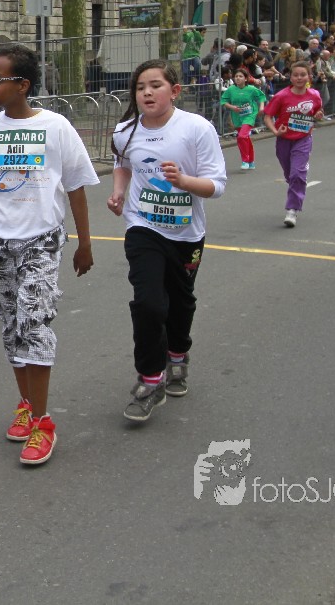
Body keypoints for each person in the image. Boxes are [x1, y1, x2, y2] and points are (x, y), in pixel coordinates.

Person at [0, 44, 97, 465]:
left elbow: (76, 187)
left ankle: (44, 423)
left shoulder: (56, 127)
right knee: (12, 325)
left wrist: (84, 243)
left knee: (34, 322)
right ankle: (27, 405)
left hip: (41, 240)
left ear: (23, 85)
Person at [107, 60, 226, 423]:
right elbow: (122, 163)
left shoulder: (196, 128)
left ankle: (178, 353)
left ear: (174, 91)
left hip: (186, 233)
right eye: (140, 87)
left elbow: (217, 185)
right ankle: (149, 379)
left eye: (155, 85)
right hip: (142, 226)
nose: (146, 92)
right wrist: (119, 191)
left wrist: (183, 182)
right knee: (148, 303)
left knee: (180, 303)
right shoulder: (125, 131)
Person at [263, 61, 325, 227]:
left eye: (303, 75)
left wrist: (318, 115)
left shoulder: (314, 95)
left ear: (309, 77)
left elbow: (318, 112)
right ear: (290, 77)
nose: (299, 78)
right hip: (284, 140)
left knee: (297, 174)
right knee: (290, 175)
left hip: (303, 138)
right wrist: (275, 132)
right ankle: (298, 175)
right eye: (296, 75)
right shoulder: (281, 96)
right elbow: (267, 117)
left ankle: (292, 210)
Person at [220, 69, 267, 170]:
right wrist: (232, 107)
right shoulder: (231, 89)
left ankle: (245, 160)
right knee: (245, 138)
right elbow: (223, 101)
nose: (238, 78)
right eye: (236, 76)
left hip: (250, 115)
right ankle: (251, 161)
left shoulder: (251, 89)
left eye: (240, 76)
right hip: (237, 116)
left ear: (246, 79)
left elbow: (261, 97)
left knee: (241, 136)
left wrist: (261, 107)